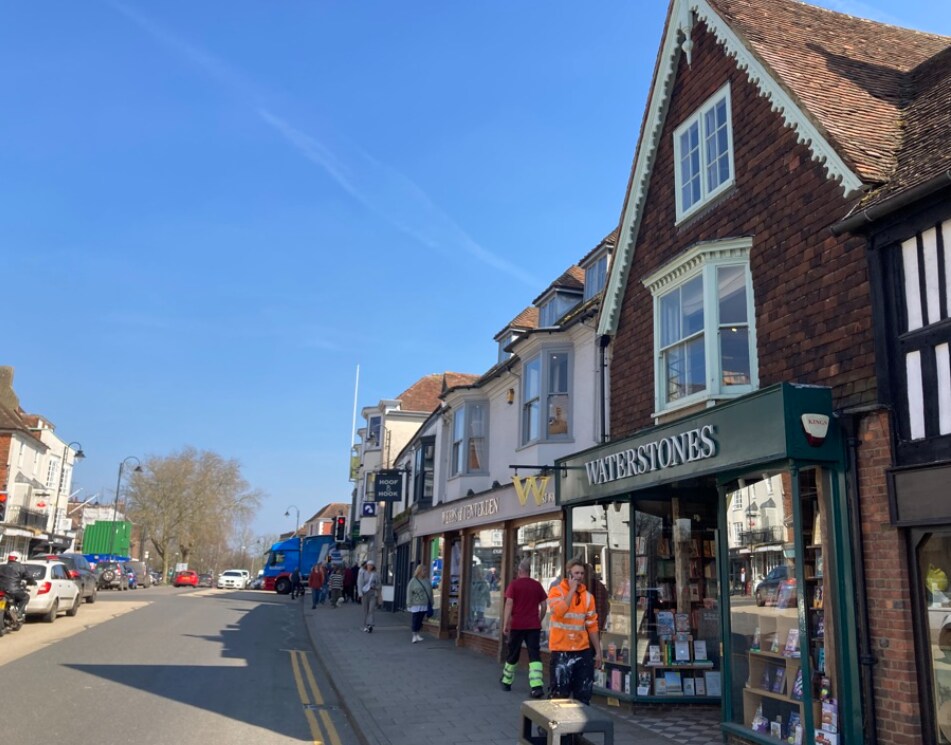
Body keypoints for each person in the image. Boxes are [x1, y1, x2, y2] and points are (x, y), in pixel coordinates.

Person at [547, 558, 603, 704]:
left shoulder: (588, 597)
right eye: (576, 573)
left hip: (582, 650)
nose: (579, 576)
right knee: (559, 694)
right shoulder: (556, 591)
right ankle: (553, 725)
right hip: (561, 650)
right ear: (569, 574)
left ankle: (580, 725)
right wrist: (572, 590)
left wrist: (598, 651)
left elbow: (592, 626)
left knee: (584, 693)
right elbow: (558, 612)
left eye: (582, 573)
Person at [500, 558, 548, 697]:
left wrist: (505, 623)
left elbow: (509, 604)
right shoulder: (537, 585)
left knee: (513, 652)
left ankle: (507, 682)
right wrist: (539, 619)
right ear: (529, 571)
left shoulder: (514, 585)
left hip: (517, 625)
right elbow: (544, 605)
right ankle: (537, 686)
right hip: (533, 625)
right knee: (534, 654)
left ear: (520, 571)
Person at [0, 552, 35, 618]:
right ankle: (19, 613)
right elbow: (29, 577)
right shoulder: (21, 567)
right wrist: (33, 582)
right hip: (13, 590)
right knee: (25, 597)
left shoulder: (1, 566)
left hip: (1, 590)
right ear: (18, 558)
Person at [406, 563, 434, 643]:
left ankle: (417, 633)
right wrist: (409, 602)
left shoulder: (427, 580)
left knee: (421, 619)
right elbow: (409, 592)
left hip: (424, 603)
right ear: (419, 571)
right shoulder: (413, 581)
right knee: (415, 619)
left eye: (425, 570)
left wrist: (431, 601)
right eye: (424, 570)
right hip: (416, 603)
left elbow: (430, 592)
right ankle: (414, 635)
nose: (425, 572)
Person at [361, 559, 382, 632]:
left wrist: (376, 588)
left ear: (373, 566)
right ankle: (365, 625)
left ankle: (370, 624)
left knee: (371, 609)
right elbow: (360, 583)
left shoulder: (376, 574)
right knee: (365, 610)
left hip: (372, 593)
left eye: (371, 565)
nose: (370, 566)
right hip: (365, 593)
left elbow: (379, 584)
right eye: (369, 565)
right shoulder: (363, 573)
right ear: (366, 566)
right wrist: (360, 593)